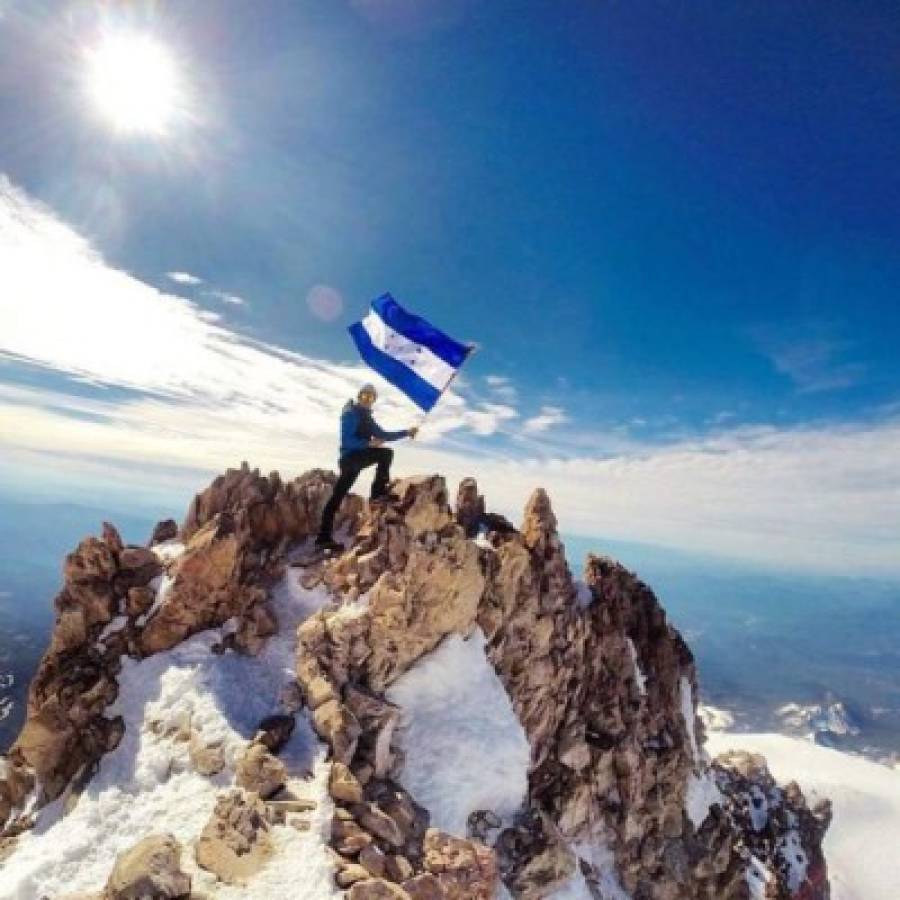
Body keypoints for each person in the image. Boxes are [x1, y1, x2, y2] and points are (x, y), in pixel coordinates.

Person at [316, 383, 419, 551]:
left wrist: (407, 432)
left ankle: (377, 494)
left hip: (358, 458)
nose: (367, 400)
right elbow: (347, 440)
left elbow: (384, 435)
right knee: (338, 495)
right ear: (359, 396)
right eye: (365, 396)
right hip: (349, 459)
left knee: (385, 454)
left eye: (371, 398)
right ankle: (376, 494)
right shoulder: (350, 414)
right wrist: (369, 443)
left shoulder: (367, 417)